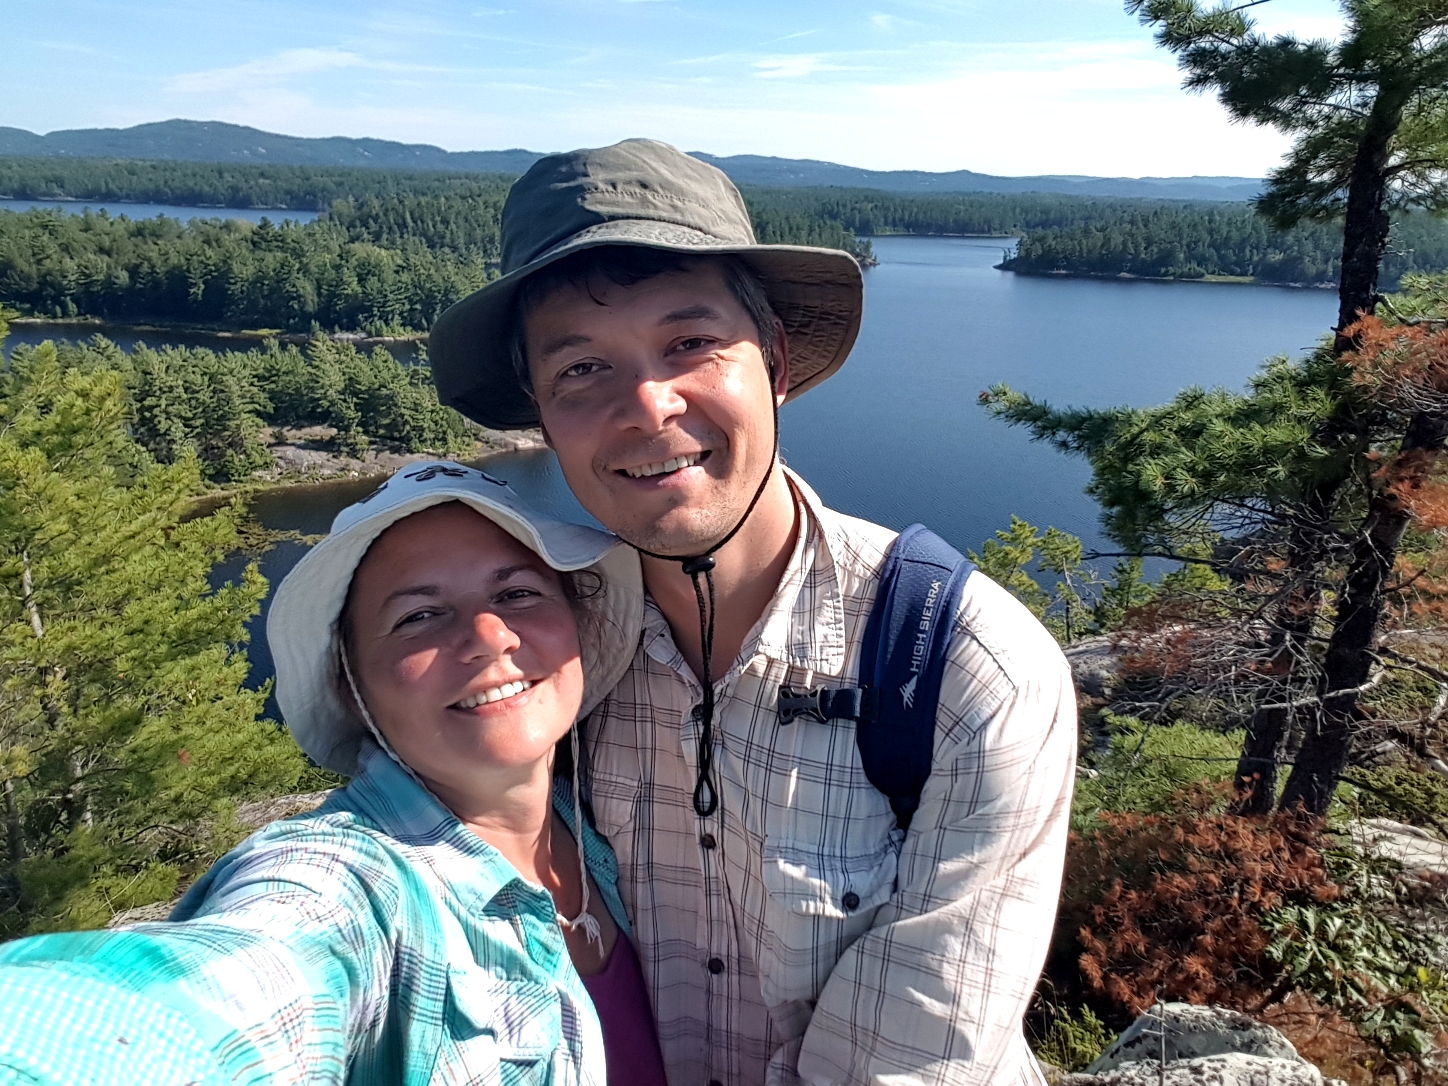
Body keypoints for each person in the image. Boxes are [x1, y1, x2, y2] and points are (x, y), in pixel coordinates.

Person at [428, 139, 1080, 1086]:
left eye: (691, 344)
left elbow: (908, 1066)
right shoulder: (543, 663)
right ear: (539, 411)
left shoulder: (965, 671)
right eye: (580, 370)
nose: (648, 406)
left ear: (773, 363)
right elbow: (381, 853)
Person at [0, 461, 667, 1086]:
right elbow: (215, 992)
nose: (490, 636)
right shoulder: (355, 883)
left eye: (518, 592)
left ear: (578, 622)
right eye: (420, 617)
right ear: (352, 685)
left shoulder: (603, 828)